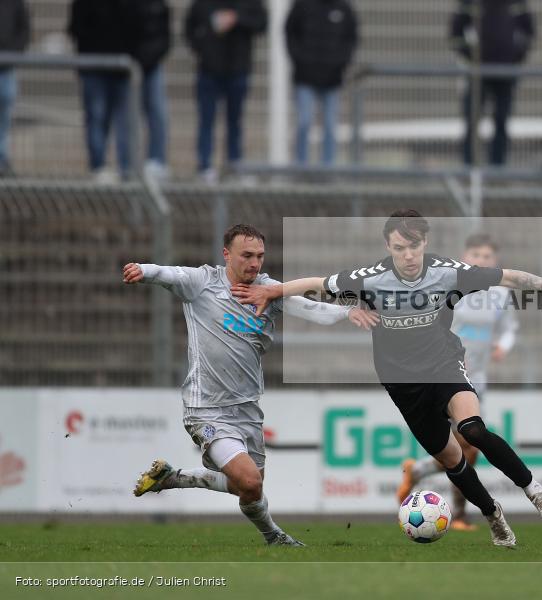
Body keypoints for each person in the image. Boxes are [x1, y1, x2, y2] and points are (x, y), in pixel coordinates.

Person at [232, 210, 542, 548]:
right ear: (388, 247)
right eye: (399, 248)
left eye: (414, 247)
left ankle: (535, 491)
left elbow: (509, 276)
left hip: (444, 366)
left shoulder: (448, 271)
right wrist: (273, 289)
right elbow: (317, 282)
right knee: (453, 461)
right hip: (402, 384)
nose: (408, 256)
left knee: (472, 430)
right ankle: (493, 516)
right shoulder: (371, 278)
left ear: (425, 244)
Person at [125, 224, 377, 546]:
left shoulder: (267, 290)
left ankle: (174, 478)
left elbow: (310, 309)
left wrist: (347, 313)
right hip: (207, 407)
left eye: (259, 256)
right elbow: (169, 274)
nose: (254, 263)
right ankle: (275, 537)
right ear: (226, 254)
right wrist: (142, 270)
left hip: (247, 408)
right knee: (249, 480)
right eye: (247, 256)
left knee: (247, 487)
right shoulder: (203, 283)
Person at [395, 233, 518, 531]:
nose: (481, 260)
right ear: (465, 257)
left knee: (470, 449)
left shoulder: (501, 295)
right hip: (445, 374)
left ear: (495, 261)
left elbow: (509, 327)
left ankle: (421, 473)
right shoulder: (451, 288)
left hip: (478, 378)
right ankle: (460, 514)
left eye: (487, 256)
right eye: (475, 254)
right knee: (464, 446)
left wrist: (504, 344)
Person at [185, 0, 267, 183]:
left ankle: (234, 166)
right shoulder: (202, 4)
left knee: (235, 123)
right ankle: (205, 166)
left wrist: (237, 19)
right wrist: (203, 48)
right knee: (206, 121)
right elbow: (190, 28)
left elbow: (261, 23)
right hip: (209, 70)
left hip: (238, 70)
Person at [450, 0, 536, 166]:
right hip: (478, 75)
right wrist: (472, 58)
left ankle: (498, 168)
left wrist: (514, 57)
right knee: (472, 121)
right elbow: (455, 33)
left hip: (505, 73)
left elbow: (529, 31)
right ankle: (470, 168)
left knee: (501, 121)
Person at [285, 0, 358, 166]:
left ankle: (328, 168)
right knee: (304, 122)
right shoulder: (302, 6)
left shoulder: (343, 8)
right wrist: (300, 60)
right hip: (305, 77)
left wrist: (340, 63)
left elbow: (351, 38)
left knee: (330, 126)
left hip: (332, 79)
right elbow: (290, 33)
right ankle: (301, 167)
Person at [68, 0, 134, 183]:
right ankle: (98, 167)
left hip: (122, 69)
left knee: (124, 122)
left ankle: (126, 168)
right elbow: (75, 27)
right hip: (93, 67)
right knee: (96, 117)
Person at [127, 0, 171, 180]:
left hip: (151, 65)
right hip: (129, 66)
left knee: (158, 113)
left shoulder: (158, 6)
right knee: (127, 118)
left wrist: (148, 58)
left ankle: (156, 162)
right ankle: (128, 164)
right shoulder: (127, 7)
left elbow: (165, 38)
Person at [0, 0, 29, 178]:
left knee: (4, 117)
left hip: (7, 69)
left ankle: (1, 160)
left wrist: (11, 56)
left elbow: (24, 31)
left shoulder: (14, 3)